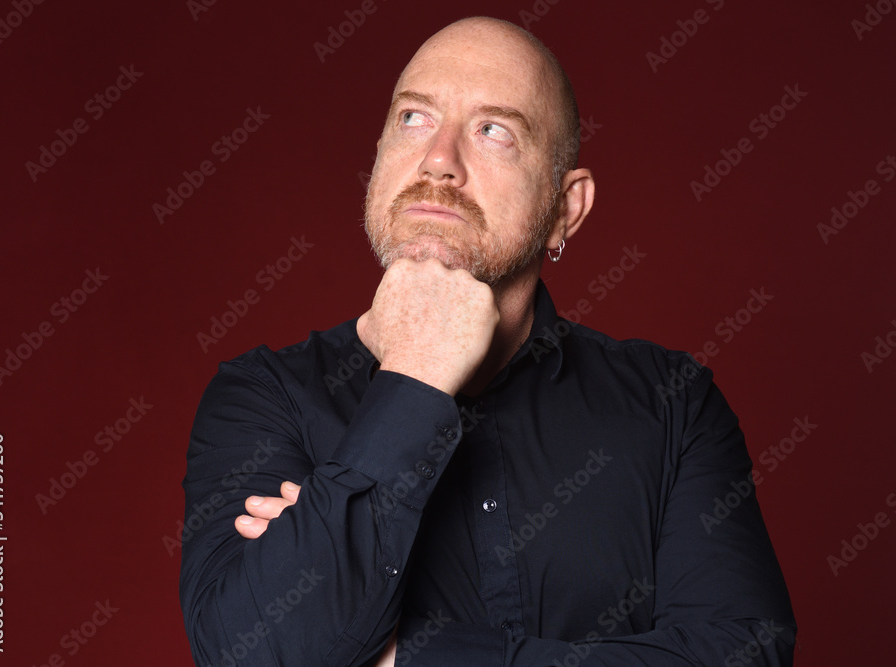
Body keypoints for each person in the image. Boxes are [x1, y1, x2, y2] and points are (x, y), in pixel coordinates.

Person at [180, 16, 796, 666]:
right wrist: (415, 375)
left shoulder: (673, 404)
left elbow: (743, 653)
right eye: (413, 119)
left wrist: (408, 655)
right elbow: (250, 654)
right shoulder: (262, 395)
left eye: (493, 130)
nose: (438, 159)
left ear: (567, 209)